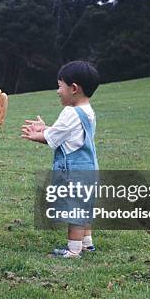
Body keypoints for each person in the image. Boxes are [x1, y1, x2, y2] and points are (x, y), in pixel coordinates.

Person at [21, 60, 100, 258]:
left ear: (74, 88)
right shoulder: (88, 111)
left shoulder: (70, 112)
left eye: (60, 86)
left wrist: (36, 134)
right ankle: (87, 244)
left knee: (75, 211)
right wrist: (46, 127)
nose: (57, 91)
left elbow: (53, 139)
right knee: (84, 207)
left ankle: (73, 251)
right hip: (89, 169)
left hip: (74, 172)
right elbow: (66, 134)